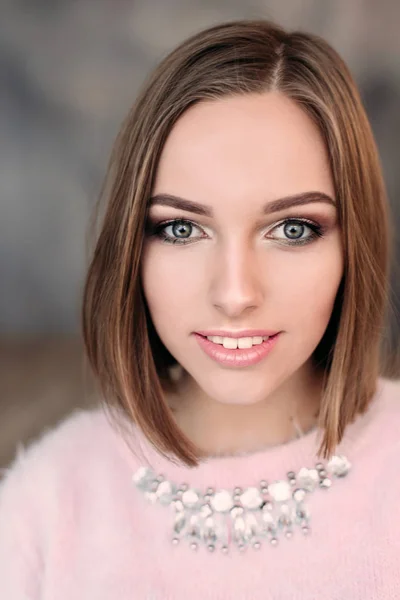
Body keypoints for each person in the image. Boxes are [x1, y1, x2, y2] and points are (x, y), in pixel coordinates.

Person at [1, 18, 399, 599]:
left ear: (353, 242)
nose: (235, 293)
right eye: (182, 228)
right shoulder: (43, 507)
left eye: (291, 228)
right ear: (131, 246)